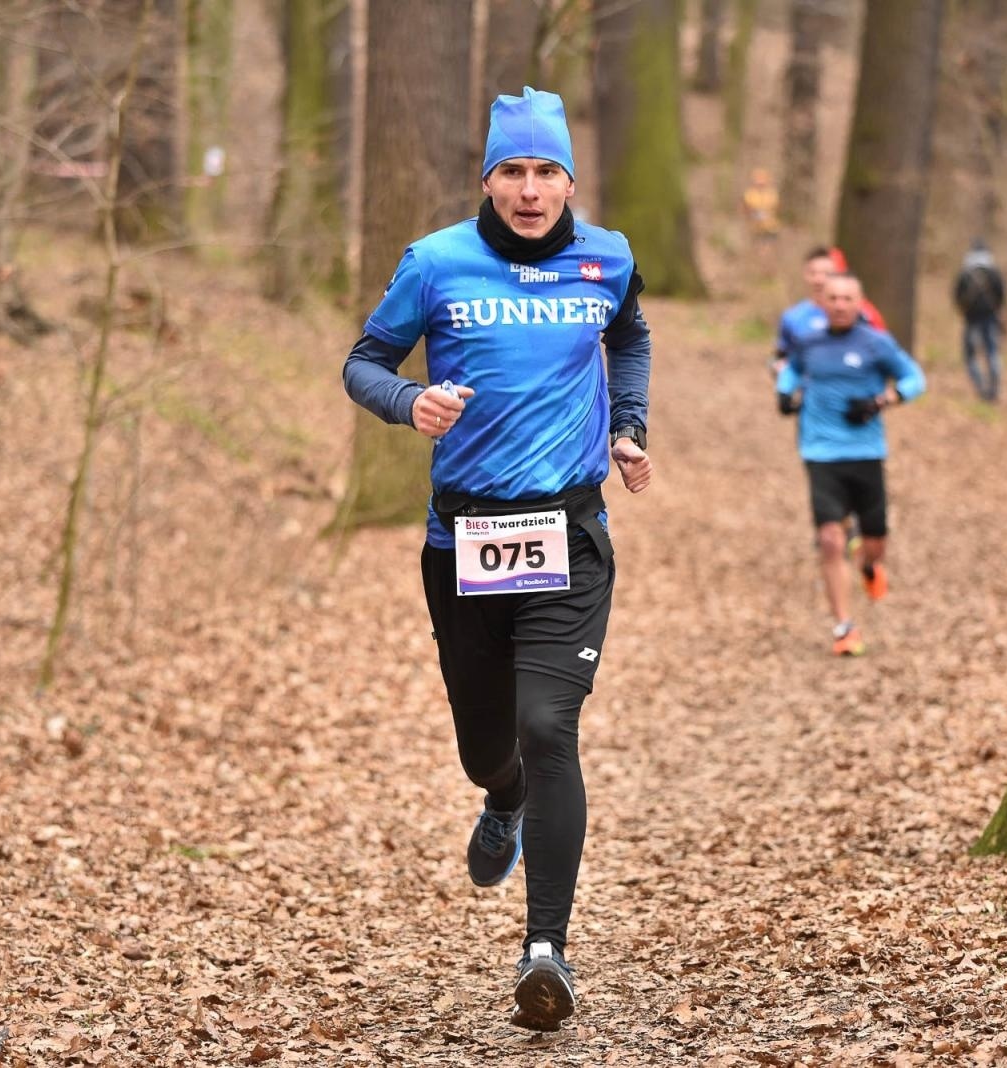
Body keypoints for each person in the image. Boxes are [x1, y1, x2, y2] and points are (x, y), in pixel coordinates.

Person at [341, 86, 652, 1033]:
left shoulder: (609, 259)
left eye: (545, 171)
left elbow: (629, 335)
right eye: (511, 171)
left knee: (549, 724)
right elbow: (364, 360)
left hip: (570, 534)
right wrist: (408, 404)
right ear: (488, 177)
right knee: (490, 746)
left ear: (569, 179)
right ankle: (503, 799)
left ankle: (545, 948)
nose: (529, 189)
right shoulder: (435, 263)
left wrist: (629, 424)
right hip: (463, 542)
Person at [776, 273, 924, 656]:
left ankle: (869, 564)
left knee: (875, 542)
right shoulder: (808, 343)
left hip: (866, 452)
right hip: (821, 453)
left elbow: (914, 378)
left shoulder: (876, 343)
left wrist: (882, 402)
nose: (840, 305)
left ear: (860, 303)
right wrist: (784, 393)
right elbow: (790, 371)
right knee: (829, 539)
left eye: (848, 298)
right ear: (822, 303)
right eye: (834, 298)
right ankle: (845, 626)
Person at [770, 246, 887, 378]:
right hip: (805, 394)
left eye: (826, 273)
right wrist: (780, 371)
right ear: (805, 275)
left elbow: (885, 354)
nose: (819, 280)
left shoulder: (861, 314)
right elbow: (780, 357)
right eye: (813, 273)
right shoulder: (793, 317)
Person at [953, 238, 1006, 401]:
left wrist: (964, 309)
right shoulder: (993, 272)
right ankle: (994, 388)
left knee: (971, 356)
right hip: (990, 318)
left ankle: (981, 388)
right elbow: (1002, 295)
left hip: (971, 319)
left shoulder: (965, 273)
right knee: (992, 352)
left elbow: (957, 296)